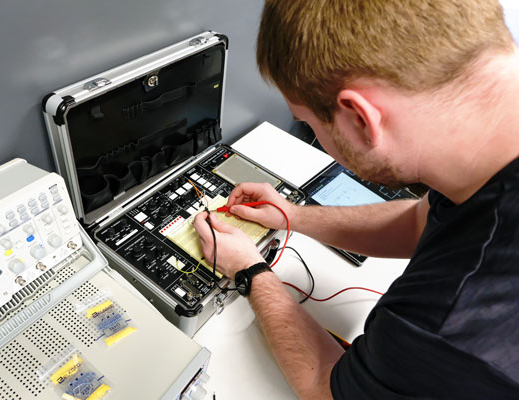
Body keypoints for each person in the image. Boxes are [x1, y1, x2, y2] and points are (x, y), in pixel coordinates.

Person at [192, 0, 519, 398]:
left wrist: (249, 270)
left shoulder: (450, 319)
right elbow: (420, 222)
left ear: (360, 118)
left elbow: (324, 386)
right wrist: (290, 215)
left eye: (310, 123)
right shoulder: (485, 154)